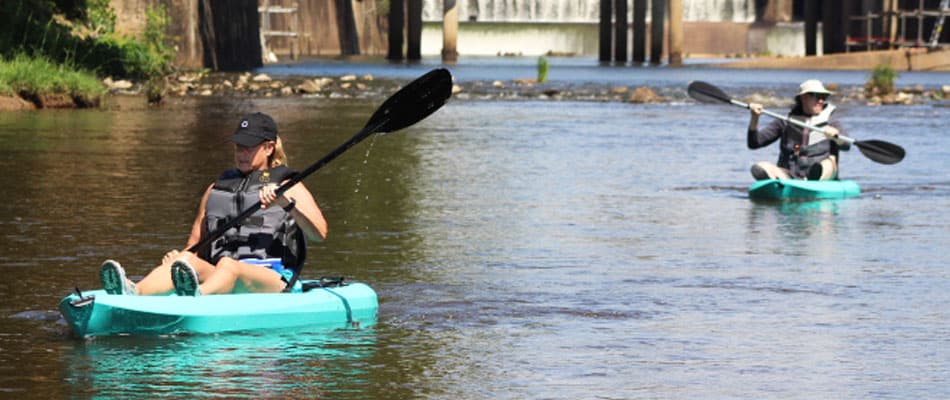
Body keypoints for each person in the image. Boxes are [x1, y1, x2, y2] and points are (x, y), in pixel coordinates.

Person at [99, 112, 328, 296]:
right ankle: (133, 292)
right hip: (221, 274)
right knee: (185, 260)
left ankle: (196, 299)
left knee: (229, 265)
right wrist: (180, 257)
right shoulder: (216, 188)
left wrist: (286, 202)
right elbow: (195, 245)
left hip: (273, 279)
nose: (242, 153)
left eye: (249, 147)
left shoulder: (288, 186)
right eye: (239, 146)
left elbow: (319, 233)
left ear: (268, 148)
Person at [747, 79, 851, 181]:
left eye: (824, 97)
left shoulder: (831, 122)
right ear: (804, 98)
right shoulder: (785, 121)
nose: (821, 101)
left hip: (823, 175)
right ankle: (780, 182)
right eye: (817, 96)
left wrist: (836, 137)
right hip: (789, 175)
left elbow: (847, 146)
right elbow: (754, 143)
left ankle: (814, 178)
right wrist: (755, 118)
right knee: (760, 166)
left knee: (828, 164)